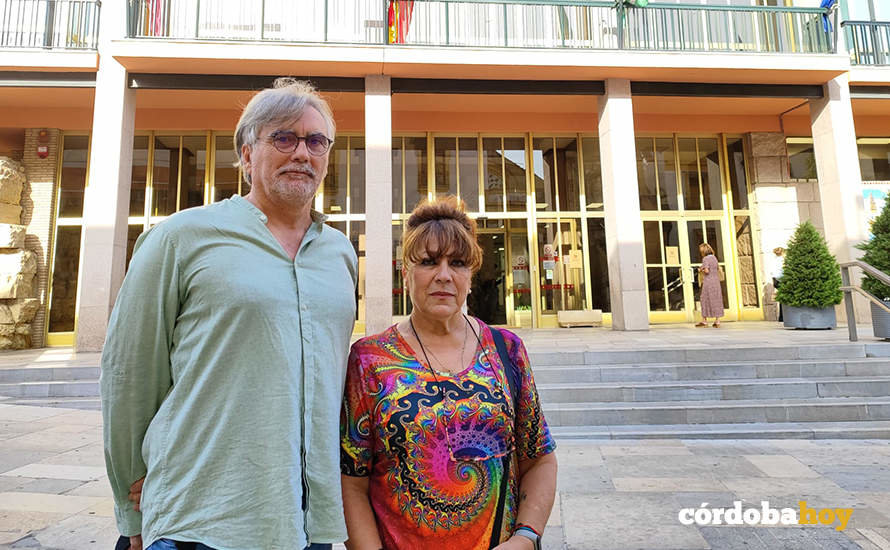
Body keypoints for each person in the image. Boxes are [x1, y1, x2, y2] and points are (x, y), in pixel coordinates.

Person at [101, 78, 357, 550]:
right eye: (283, 137)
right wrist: (129, 510)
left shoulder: (340, 254)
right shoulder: (180, 239)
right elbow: (128, 376)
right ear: (245, 154)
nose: (302, 152)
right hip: (201, 519)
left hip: (308, 522)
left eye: (316, 141)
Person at [340, 196, 558, 550]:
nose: (443, 275)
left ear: (471, 275)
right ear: (405, 272)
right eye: (428, 262)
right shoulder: (370, 360)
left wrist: (526, 537)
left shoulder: (507, 351)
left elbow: (540, 458)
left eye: (457, 263)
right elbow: (351, 483)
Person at [696, 242, 724, 328]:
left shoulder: (705, 259)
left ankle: (704, 321)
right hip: (716, 282)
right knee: (716, 299)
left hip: (708, 282)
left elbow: (707, 271)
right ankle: (717, 321)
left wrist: (701, 270)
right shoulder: (714, 258)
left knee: (704, 299)